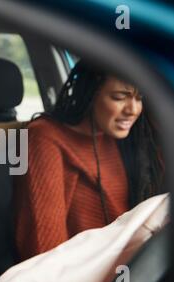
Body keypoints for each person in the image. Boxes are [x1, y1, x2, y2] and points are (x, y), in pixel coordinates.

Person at [15, 60, 165, 260]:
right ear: (90, 93)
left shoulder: (121, 136)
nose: (133, 109)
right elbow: (44, 252)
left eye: (140, 98)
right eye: (119, 97)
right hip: (78, 279)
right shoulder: (45, 137)